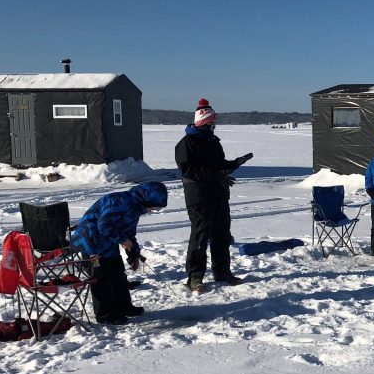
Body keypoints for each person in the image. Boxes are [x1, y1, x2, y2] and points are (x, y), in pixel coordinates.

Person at [174, 98, 253, 293]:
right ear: (202, 122)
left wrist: (233, 164)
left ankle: (222, 272)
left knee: (222, 235)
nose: (213, 126)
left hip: (218, 195)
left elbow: (218, 166)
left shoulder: (213, 142)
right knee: (200, 238)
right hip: (198, 197)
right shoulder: (186, 143)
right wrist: (215, 175)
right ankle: (195, 277)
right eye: (211, 123)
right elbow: (188, 171)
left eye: (214, 123)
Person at [71, 181, 168, 325]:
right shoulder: (120, 202)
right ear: (146, 198)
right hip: (90, 242)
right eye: (153, 206)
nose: (152, 209)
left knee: (118, 274)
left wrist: (133, 255)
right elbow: (104, 226)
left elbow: (129, 233)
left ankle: (123, 307)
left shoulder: (136, 208)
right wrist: (122, 240)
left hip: (107, 243)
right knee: (102, 279)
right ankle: (105, 315)